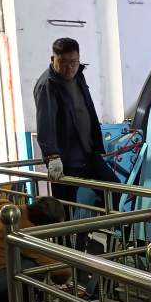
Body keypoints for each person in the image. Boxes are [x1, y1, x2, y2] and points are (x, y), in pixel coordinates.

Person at [33, 38, 119, 210]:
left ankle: (102, 224)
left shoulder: (79, 75)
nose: (69, 68)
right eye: (63, 62)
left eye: (74, 62)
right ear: (53, 59)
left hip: (88, 154)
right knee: (65, 208)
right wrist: (52, 157)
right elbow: (45, 124)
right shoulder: (48, 85)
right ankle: (71, 229)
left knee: (114, 189)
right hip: (66, 160)